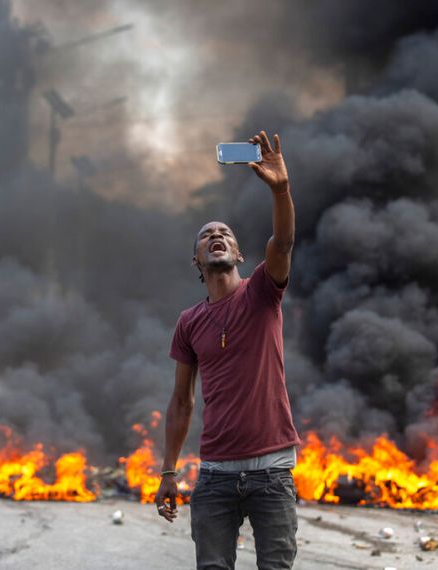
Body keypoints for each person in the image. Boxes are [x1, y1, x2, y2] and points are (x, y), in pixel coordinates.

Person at [155, 131, 301, 569]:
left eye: (225, 234)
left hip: (272, 472)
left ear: (238, 254)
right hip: (215, 474)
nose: (216, 235)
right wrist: (168, 471)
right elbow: (181, 402)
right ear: (197, 259)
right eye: (206, 235)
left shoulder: (262, 291)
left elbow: (284, 242)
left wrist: (281, 190)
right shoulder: (188, 321)